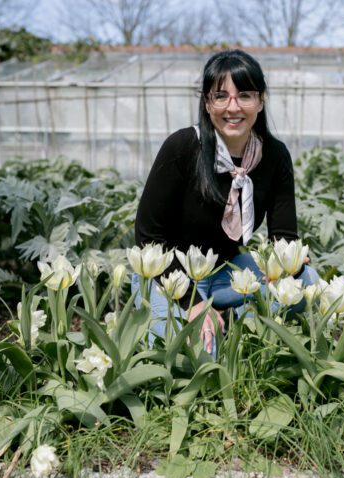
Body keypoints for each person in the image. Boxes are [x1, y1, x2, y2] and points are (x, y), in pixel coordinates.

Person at [133, 49, 317, 355]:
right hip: (171, 274)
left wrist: (289, 267)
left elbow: (283, 235)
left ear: (260, 100)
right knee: (200, 352)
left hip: (225, 269)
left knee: (309, 287)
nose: (233, 107)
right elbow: (148, 236)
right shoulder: (183, 147)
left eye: (244, 95)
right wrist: (193, 305)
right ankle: (207, 316)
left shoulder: (274, 155)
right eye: (221, 96)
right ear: (207, 104)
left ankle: (234, 315)